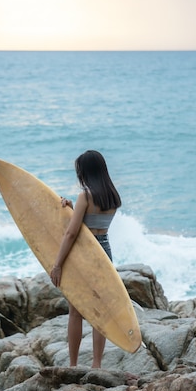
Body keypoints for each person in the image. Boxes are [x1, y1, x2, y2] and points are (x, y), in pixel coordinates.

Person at [50, 150, 121, 368]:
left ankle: (72, 365)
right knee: (100, 310)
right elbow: (94, 223)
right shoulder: (113, 197)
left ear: (85, 172)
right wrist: (74, 209)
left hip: (84, 256)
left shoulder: (85, 196)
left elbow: (72, 234)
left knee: (76, 311)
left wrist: (58, 264)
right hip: (104, 253)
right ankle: (97, 365)